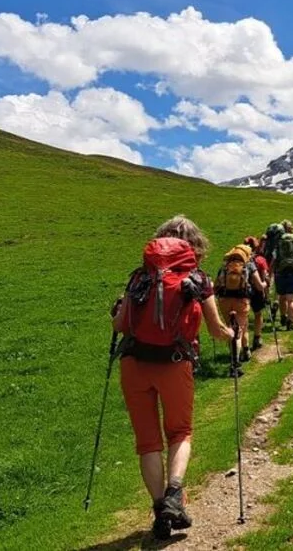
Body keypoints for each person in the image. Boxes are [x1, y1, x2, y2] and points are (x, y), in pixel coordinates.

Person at [111, 215, 234, 540]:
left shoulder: (139, 277)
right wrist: (232, 332)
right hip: (175, 363)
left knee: (147, 442)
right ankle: (174, 495)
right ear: (195, 244)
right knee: (180, 432)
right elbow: (216, 331)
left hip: (134, 364)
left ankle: (159, 512)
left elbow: (120, 326)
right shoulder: (198, 279)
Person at [214, 243, 266, 364]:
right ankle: (237, 359)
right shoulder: (249, 265)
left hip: (224, 301)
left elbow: (216, 286)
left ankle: (238, 352)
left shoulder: (225, 266)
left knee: (230, 329)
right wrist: (264, 284)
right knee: (240, 329)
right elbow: (258, 285)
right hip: (241, 301)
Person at [273, 220, 293, 331]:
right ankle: (290, 323)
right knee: (291, 300)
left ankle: (282, 317)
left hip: (280, 272)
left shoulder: (279, 240)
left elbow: (275, 256)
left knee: (282, 297)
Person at [243, 236, 270, 353]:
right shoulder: (260, 260)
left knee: (243, 319)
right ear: (256, 246)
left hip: (243, 292)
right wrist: (265, 285)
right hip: (257, 291)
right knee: (258, 314)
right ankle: (257, 338)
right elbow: (264, 276)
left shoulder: (240, 260)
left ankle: (245, 346)